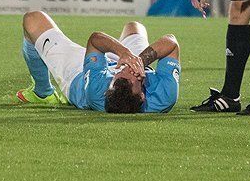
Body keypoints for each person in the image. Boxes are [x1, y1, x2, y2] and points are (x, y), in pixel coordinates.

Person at [15, 11, 181, 114]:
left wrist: (123, 54)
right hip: (133, 60)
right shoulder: (164, 96)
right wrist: (138, 61)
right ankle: (131, 55)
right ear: (143, 95)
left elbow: (95, 41)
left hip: (78, 74)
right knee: (134, 26)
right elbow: (171, 43)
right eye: (132, 75)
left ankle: (43, 93)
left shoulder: (97, 89)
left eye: (119, 75)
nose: (125, 70)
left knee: (32, 19)